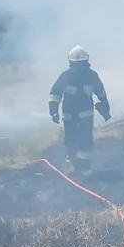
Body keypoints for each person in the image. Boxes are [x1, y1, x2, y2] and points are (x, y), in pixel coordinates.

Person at [48, 46, 111, 175]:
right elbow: (55, 94)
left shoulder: (79, 76)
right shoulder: (84, 76)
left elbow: (101, 93)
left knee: (84, 140)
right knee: (72, 140)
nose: (79, 67)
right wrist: (53, 111)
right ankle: (78, 165)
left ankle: (83, 167)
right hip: (74, 114)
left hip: (79, 114)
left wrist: (105, 108)